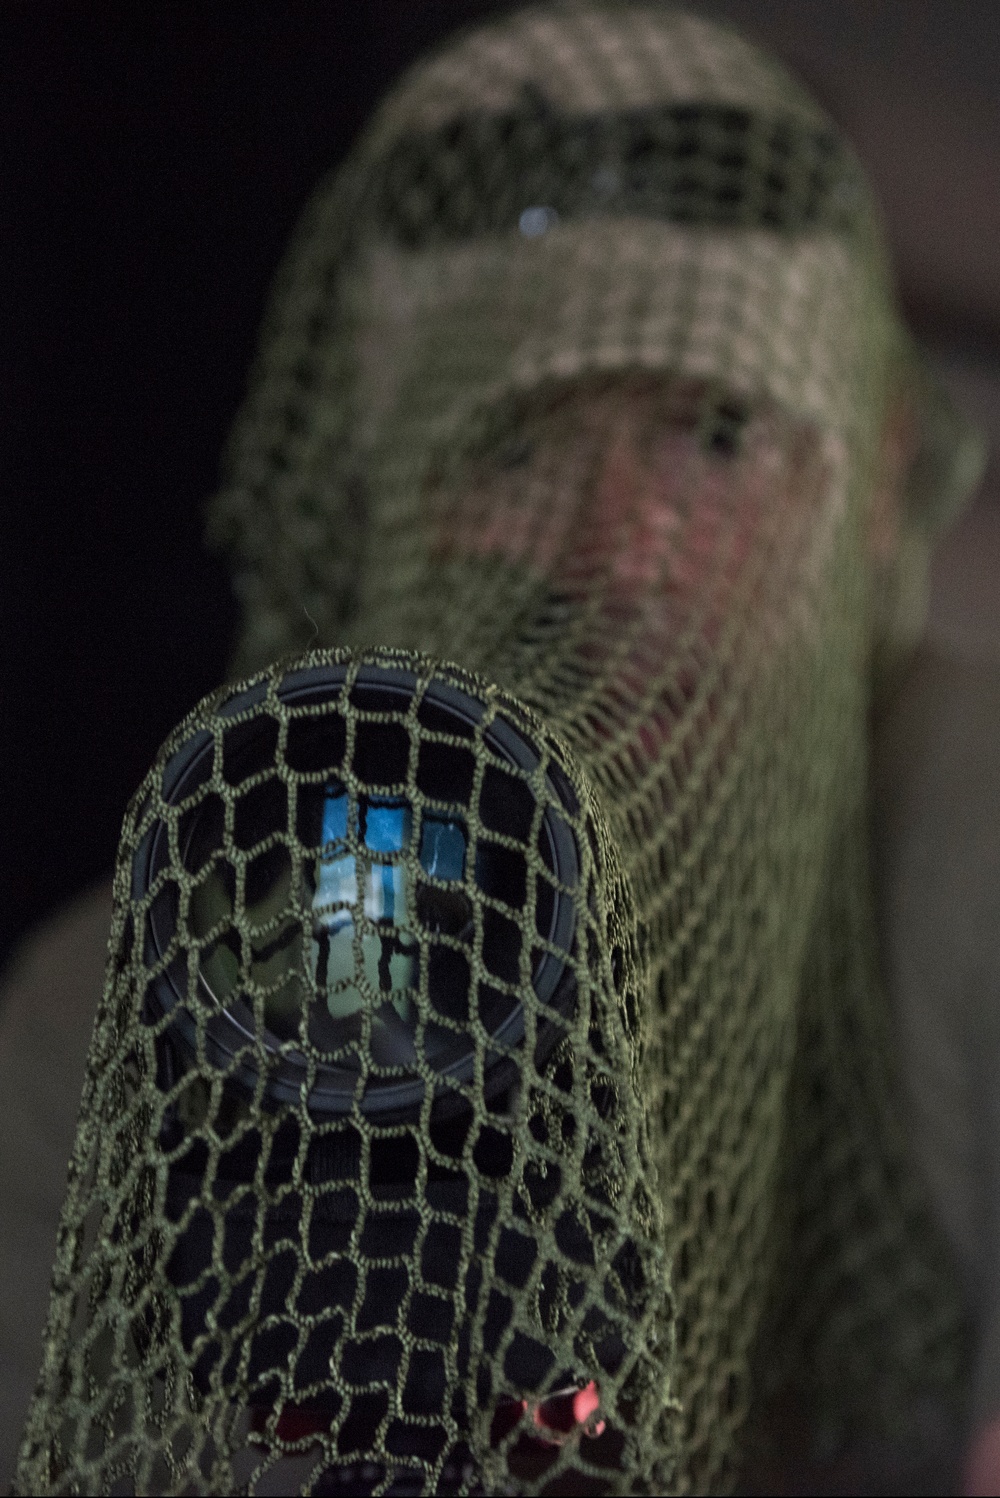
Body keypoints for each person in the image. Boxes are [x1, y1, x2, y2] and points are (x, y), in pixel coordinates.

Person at [1, 4, 993, 1493]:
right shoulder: (138, 1006)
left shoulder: (970, 839)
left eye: (715, 433)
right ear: (381, 507)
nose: (616, 554)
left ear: (879, 488)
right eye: (511, 446)